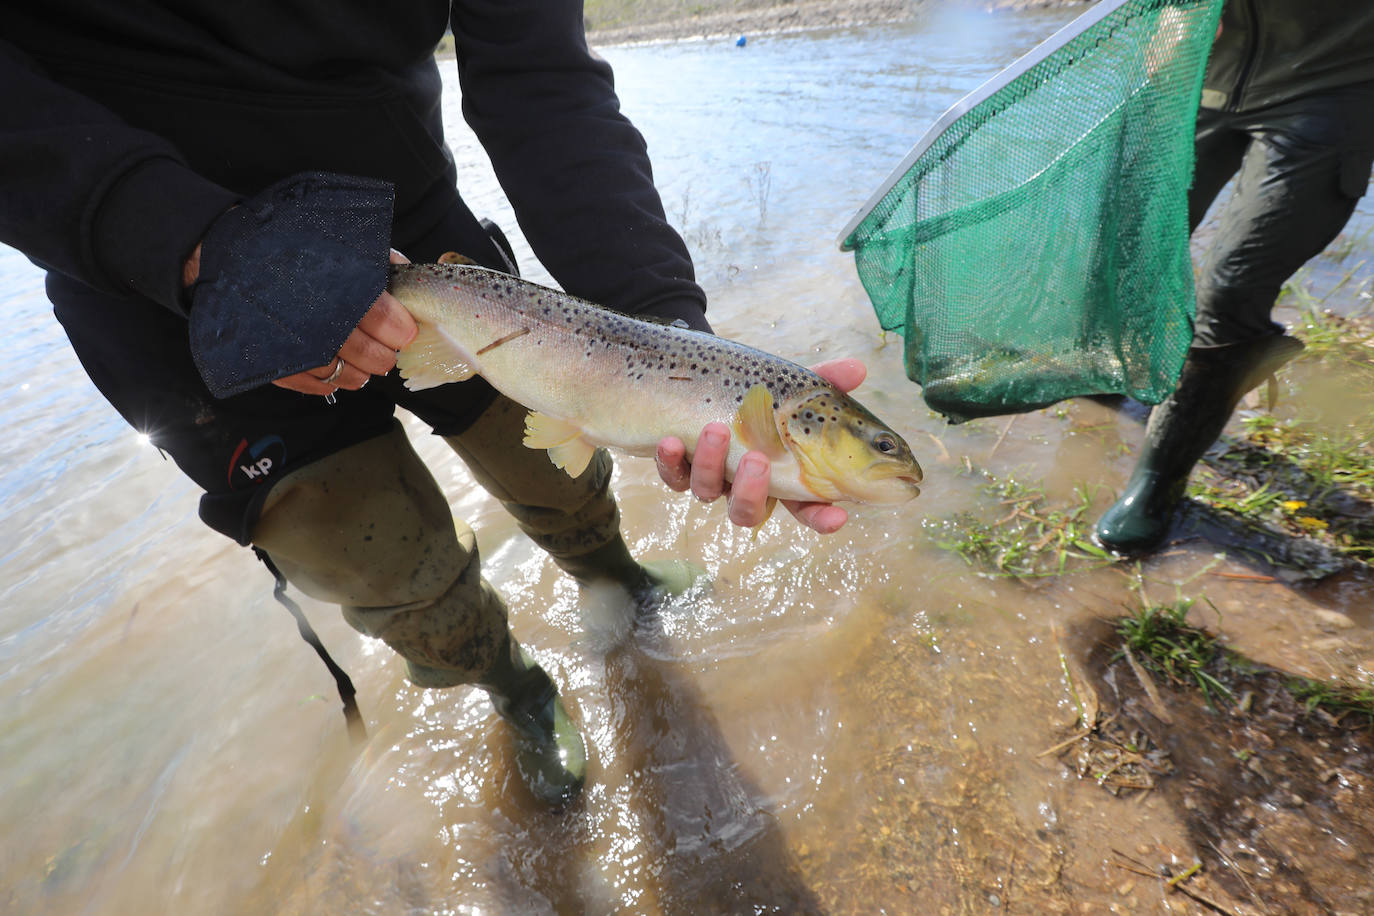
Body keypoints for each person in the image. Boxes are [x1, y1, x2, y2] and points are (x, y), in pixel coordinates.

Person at [0, 1, 861, 807]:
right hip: (149, 272)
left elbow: (543, 83)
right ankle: (511, 684)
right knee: (379, 555)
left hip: (406, 222)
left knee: (551, 459)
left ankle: (613, 574)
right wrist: (183, 239)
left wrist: (670, 329)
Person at [1093, 1, 1374, 555]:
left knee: (1230, 290)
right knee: (1133, 240)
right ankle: (1111, 371)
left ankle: (1159, 481)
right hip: (1203, 69)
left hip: (1332, 84)